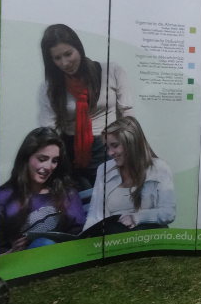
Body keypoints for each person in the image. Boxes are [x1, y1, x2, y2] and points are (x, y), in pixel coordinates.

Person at [38, 24, 134, 188]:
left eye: (68, 54)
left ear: (79, 48)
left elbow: (127, 113)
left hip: (109, 145)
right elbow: (49, 128)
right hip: (71, 151)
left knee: (111, 201)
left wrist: (130, 148)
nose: (65, 63)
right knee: (82, 204)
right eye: (57, 58)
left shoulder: (111, 71)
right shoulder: (50, 87)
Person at [0, 127, 85, 254]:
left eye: (54, 161)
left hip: (62, 257)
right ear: (26, 158)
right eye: (42, 159)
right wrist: (12, 251)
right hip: (20, 264)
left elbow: (78, 236)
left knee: (44, 243)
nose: (48, 167)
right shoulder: (4, 196)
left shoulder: (67, 193)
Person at [83, 116, 176, 233]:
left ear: (131, 143)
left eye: (115, 145)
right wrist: (85, 240)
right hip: (114, 239)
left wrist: (137, 217)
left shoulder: (159, 168)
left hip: (148, 238)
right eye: (107, 147)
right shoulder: (104, 169)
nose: (110, 153)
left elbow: (168, 213)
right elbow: (95, 215)